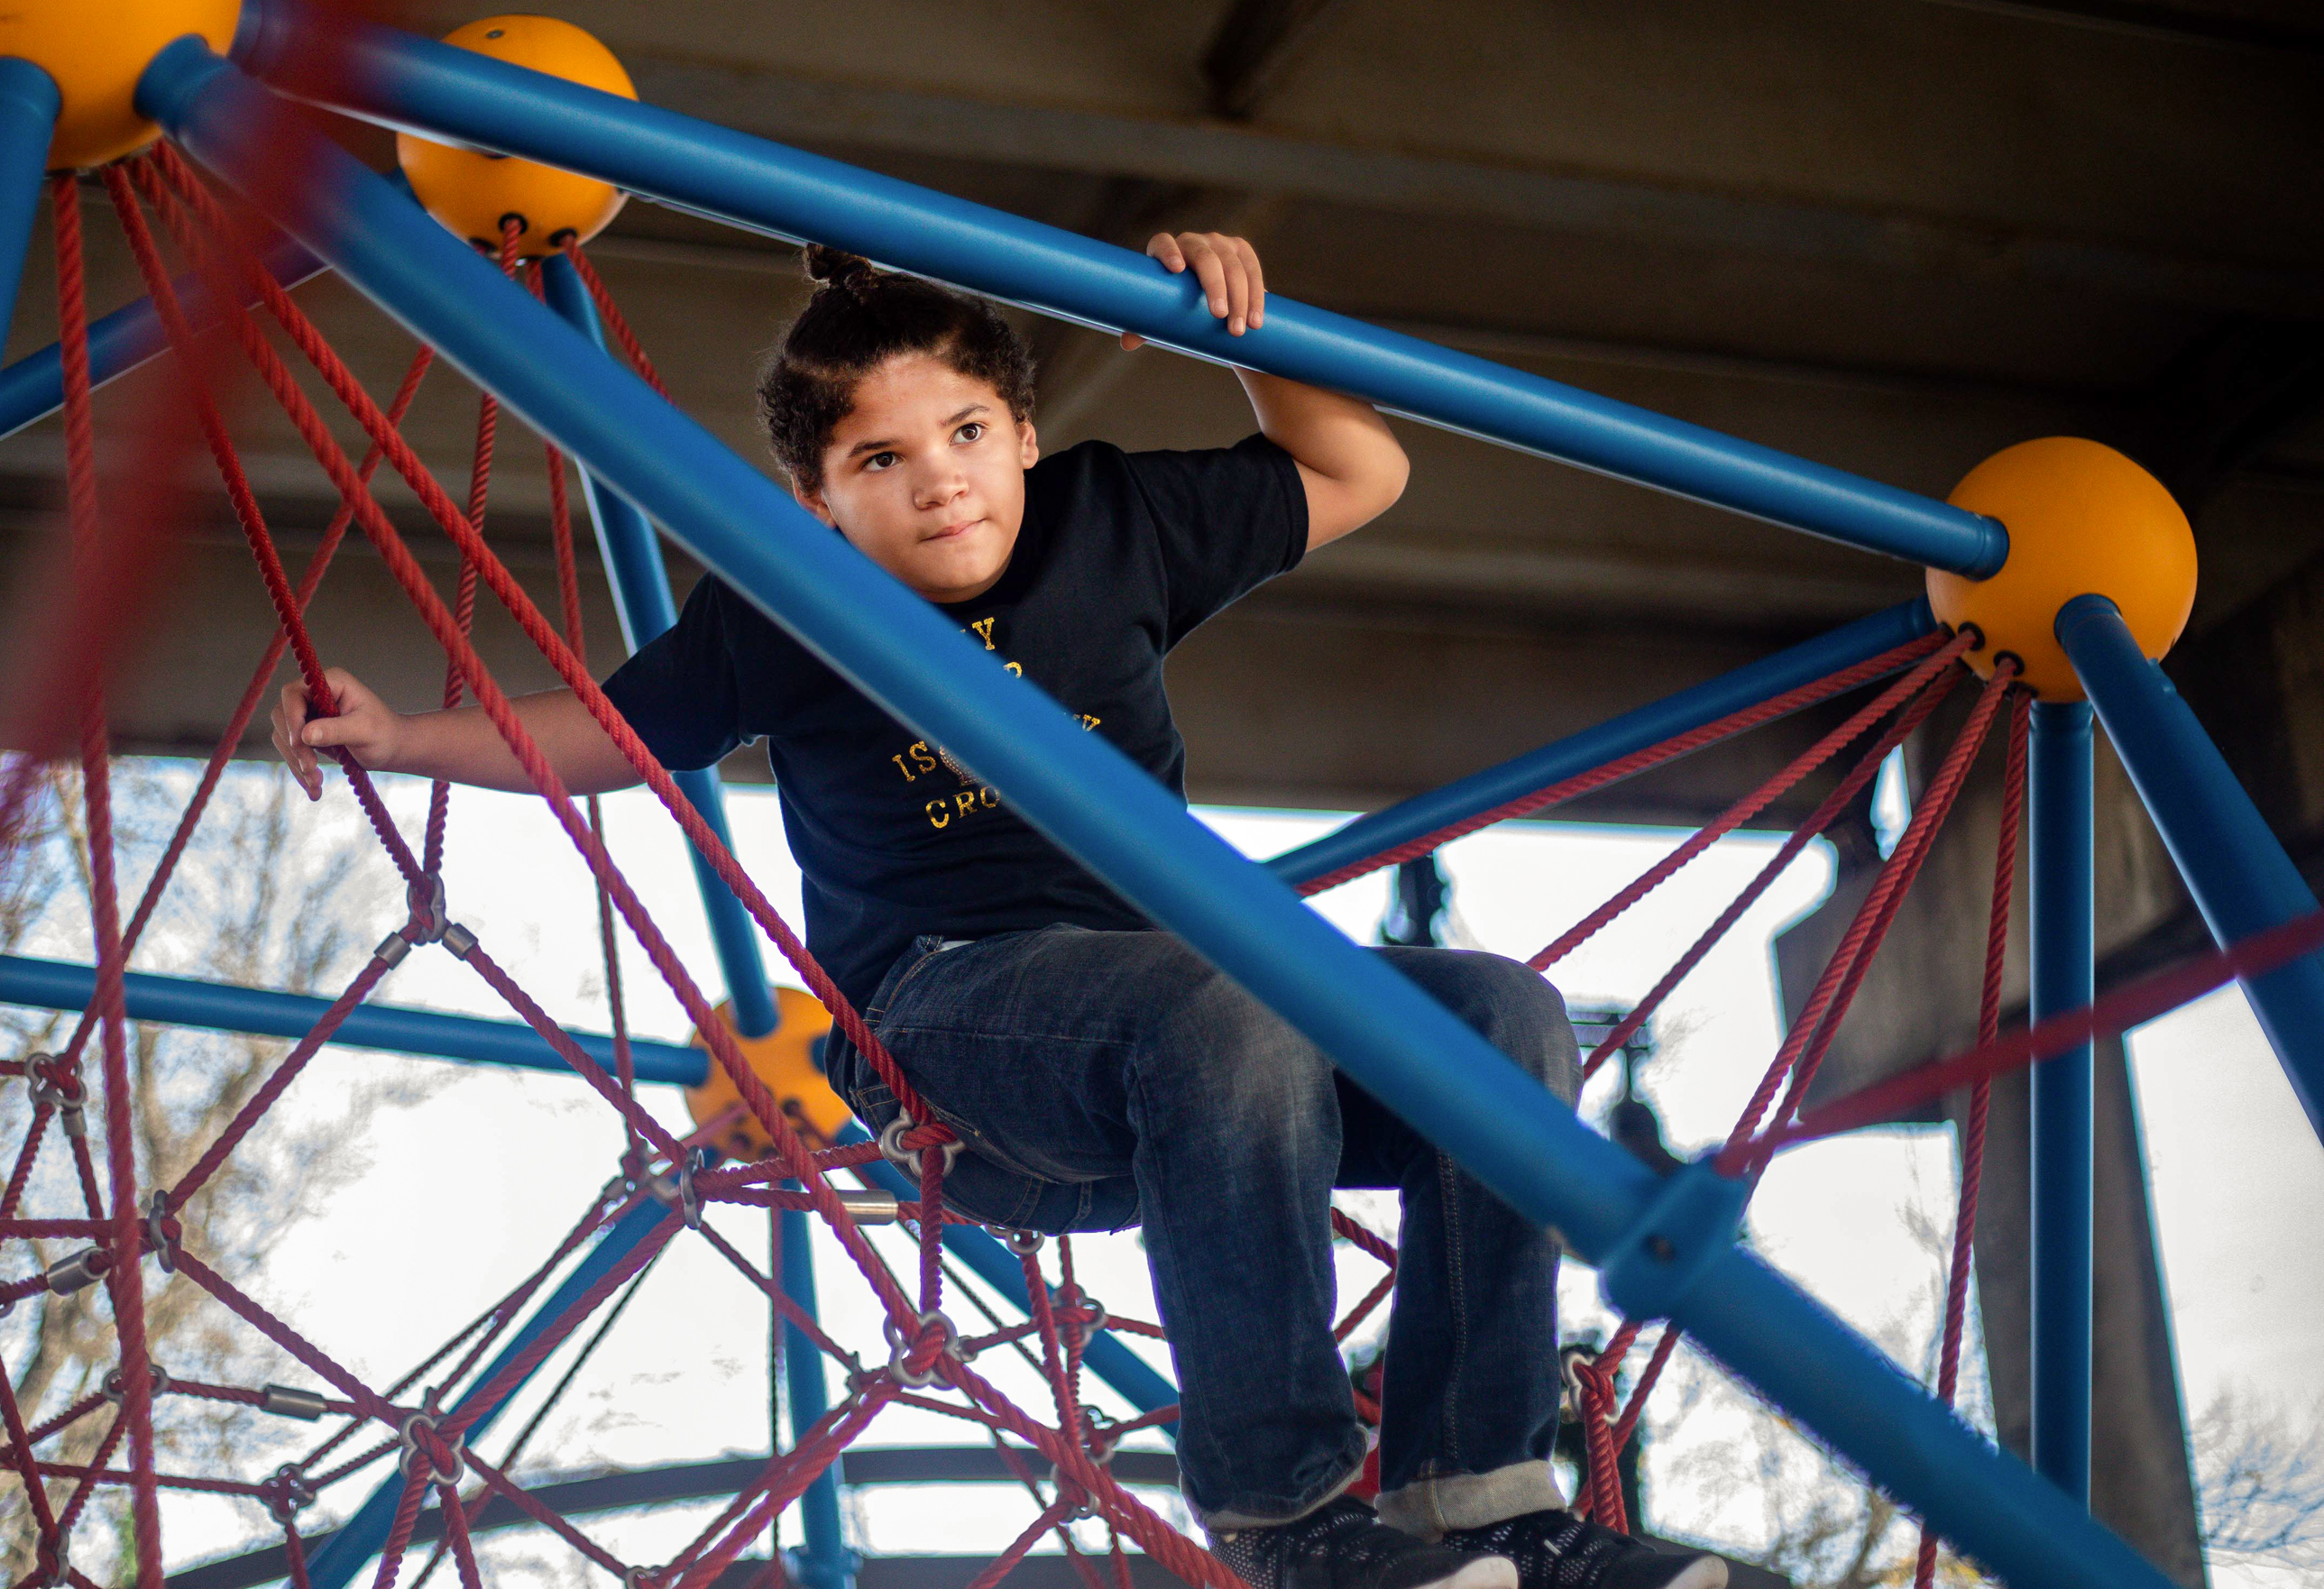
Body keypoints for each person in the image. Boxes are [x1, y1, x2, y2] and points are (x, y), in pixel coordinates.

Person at [271, 235, 1723, 1589]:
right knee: (1218, 1008)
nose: (939, 483)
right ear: (816, 502)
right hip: (951, 1032)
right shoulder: (789, 602)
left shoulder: (1111, 520)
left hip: (1206, 1051)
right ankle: (1288, 1509)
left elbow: (1355, 472)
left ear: (1025, 433)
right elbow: (608, 734)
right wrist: (404, 737)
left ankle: (1484, 1504)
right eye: (881, 460)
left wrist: (1242, 330)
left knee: (1502, 1018)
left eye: (968, 435)